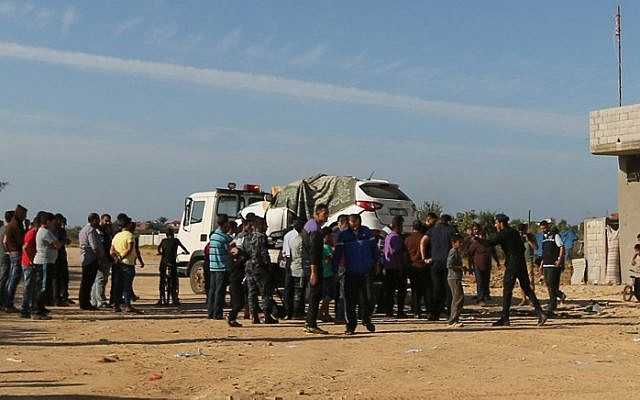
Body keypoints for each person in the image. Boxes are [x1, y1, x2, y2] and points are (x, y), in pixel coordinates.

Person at [487, 214, 547, 326]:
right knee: (527, 289)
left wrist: (475, 238)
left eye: (496, 223)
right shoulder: (514, 232)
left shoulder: (504, 233)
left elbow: (489, 242)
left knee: (507, 290)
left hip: (512, 265)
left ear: (500, 223)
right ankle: (541, 313)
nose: (495, 225)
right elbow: (523, 248)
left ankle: (505, 318)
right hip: (521, 263)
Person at [334, 214, 378, 335]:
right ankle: (351, 326)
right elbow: (337, 255)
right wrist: (335, 270)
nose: (354, 224)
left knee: (369, 298)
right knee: (350, 300)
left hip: (366, 271)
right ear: (348, 222)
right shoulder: (343, 236)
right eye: (352, 221)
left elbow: (374, 249)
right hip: (350, 273)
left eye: (356, 221)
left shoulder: (367, 232)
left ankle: (366, 318)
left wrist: (376, 263)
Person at [245, 216, 278, 324]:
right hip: (260, 268)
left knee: (252, 292)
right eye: (265, 224)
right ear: (260, 225)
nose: (267, 227)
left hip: (249, 266)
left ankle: (254, 315)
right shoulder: (261, 237)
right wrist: (268, 265)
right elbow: (263, 253)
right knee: (265, 293)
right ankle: (267, 316)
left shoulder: (247, 236)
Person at [302, 204, 329, 334]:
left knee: (315, 294)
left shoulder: (311, 225)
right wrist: (313, 271)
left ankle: (310, 322)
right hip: (313, 265)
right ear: (316, 214)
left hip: (311, 264)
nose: (326, 217)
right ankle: (311, 324)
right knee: (315, 295)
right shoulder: (314, 229)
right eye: (324, 214)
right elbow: (313, 251)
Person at [424, 214, 456, 321]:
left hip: (435, 262)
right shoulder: (451, 230)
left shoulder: (432, 230)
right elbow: (458, 244)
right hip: (448, 263)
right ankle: (450, 312)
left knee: (436, 288)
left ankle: (434, 313)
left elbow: (423, 241)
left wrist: (425, 257)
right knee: (449, 288)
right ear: (448, 221)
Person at [110, 219, 140, 313]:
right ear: (128, 225)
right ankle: (128, 306)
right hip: (127, 263)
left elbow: (111, 250)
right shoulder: (130, 235)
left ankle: (116, 305)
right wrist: (122, 257)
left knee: (117, 285)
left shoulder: (116, 236)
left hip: (117, 264)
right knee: (127, 285)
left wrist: (116, 258)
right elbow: (129, 249)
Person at [466, 224, 499, 306]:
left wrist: (498, 262)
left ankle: (486, 294)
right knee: (480, 282)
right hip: (477, 266)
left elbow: (494, 254)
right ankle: (480, 299)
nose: (482, 237)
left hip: (487, 265)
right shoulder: (475, 244)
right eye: (481, 235)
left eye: (484, 235)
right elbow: (469, 255)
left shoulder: (489, 244)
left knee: (486, 281)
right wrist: (470, 267)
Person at [207, 214, 233, 319]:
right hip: (222, 267)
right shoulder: (224, 237)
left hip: (212, 266)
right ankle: (217, 313)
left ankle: (210, 312)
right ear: (226, 223)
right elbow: (230, 251)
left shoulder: (213, 236)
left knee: (212, 290)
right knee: (220, 292)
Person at [382, 216, 408, 318]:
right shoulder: (396, 237)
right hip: (396, 267)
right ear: (398, 225)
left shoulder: (388, 236)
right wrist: (401, 265)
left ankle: (389, 311)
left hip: (388, 266)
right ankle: (400, 312)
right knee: (401, 290)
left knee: (390, 290)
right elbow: (396, 253)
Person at [3, 204, 27, 313]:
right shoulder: (16, 225)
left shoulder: (13, 224)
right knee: (14, 278)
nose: (25, 216)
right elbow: (21, 240)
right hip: (16, 253)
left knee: (11, 278)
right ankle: (8, 304)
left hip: (12, 253)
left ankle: (7, 302)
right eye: (24, 214)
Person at [78, 214, 104, 310]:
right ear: (93, 220)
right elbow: (94, 247)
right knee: (87, 283)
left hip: (87, 259)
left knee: (86, 282)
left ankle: (84, 302)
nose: (99, 222)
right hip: (90, 259)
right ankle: (85, 303)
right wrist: (99, 258)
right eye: (97, 220)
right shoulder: (91, 230)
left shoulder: (84, 229)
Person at [20, 215, 44, 319]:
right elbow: (25, 247)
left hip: (30, 263)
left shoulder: (34, 232)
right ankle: (26, 309)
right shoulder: (33, 233)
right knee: (29, 287)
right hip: (28, 264)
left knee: (32, 287)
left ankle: (29, 309)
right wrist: (31, 260)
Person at [405, 220, 430, 318]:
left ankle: (416, 311)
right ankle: (429, 311)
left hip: (412, 266)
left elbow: (405, 253)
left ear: (413, 227)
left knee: (415, 290)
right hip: (424, 266)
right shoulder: (425, 237)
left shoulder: (408, 239)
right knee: (426, 289)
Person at [539, 221, 565, 318]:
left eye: (544, 228)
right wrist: (541, 264)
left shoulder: (555, 236)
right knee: (548, 284)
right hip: (546, 264)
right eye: (541, 228)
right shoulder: (544, 238)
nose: (543, 230)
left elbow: (561, 247)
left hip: (553, 265)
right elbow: (544, 252)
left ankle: (552, 306)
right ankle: (559, 296)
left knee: (552, 284)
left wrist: (559, 260)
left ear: (548, 226)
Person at [157, 228, 188, 306]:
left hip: (163, 263)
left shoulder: (163, 241)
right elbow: (183, 247)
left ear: (166, 235)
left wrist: (160, 252)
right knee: (174, 281)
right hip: (172, 263)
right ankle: (175, 299)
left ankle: (161, 299)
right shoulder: (176, 240)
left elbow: (158, 248)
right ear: (173, 234)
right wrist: (186, 252)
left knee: (162, 280)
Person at [284, 219, 306, 320]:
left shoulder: (290, 235)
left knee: (293, 290)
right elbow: (287, 254)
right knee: (297, 291)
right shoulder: (299, 237)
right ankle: (294, 312)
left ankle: (292, 312)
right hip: (295, 266)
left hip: (294, 265)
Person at [92, 214, 113, 309]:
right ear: (101, 220)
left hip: (107, 258)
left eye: (109, 221)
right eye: (106, 220)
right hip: (101, 258)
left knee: (102, 280)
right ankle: (100, 301)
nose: (108, 222)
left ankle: (96, 300)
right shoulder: (98, 231)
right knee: (100, 280)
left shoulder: (107, 231)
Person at [333, 214, 350, 323]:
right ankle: (342, 315)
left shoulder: (339, 235)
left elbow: (337, 253)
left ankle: (340, 315)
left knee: (340, 292)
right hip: (345, 266)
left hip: (341, 266)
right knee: (343, 292)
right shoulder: (348, 234)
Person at [51, 214, 71, 306]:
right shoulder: (54, 230)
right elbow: (57, 243)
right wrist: (63, 241)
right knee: (57, 278)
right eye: (62, 222)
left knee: (63, 278)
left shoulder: (59, 230)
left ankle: (62, 296)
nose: (63, 225)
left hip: (61, 256)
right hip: (57, 257)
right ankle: (57, 298)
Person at [447, 234, 465, 327]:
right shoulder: (453, 251)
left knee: (457, 298)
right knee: (458, 298)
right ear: (453, 243)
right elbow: (449, 265)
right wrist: (460, 268)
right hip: (454, 277)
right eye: (459, 242)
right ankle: (453, 319)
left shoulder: (456, 251)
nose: (461, 244)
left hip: (455, 277)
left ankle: (454, 318)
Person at [518, 224, 537, 306]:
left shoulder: (531, 236)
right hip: (519, 261)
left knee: (530, 280)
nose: (521, 232)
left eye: (523, 230)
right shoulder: (517, 238)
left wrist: (528, 240)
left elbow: (535, 247)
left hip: (528, 261)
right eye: (520, 231)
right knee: (520, 281)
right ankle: (524, 299)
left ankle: (531, 299)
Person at [319, 227, 336, 322]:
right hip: (327, 274)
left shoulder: (320, 247)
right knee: (328, 296)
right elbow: (332, 258)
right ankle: (321, 312)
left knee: (326, 296)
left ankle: (325, 313)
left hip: (324, 273)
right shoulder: (327, 247)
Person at [0, 210, 15, 311]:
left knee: (4, 278)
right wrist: (9, 251)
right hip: (6, 257)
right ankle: (5, 303)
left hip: (2, 256)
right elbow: (5, 242)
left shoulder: (2, 228)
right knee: (5, 279)